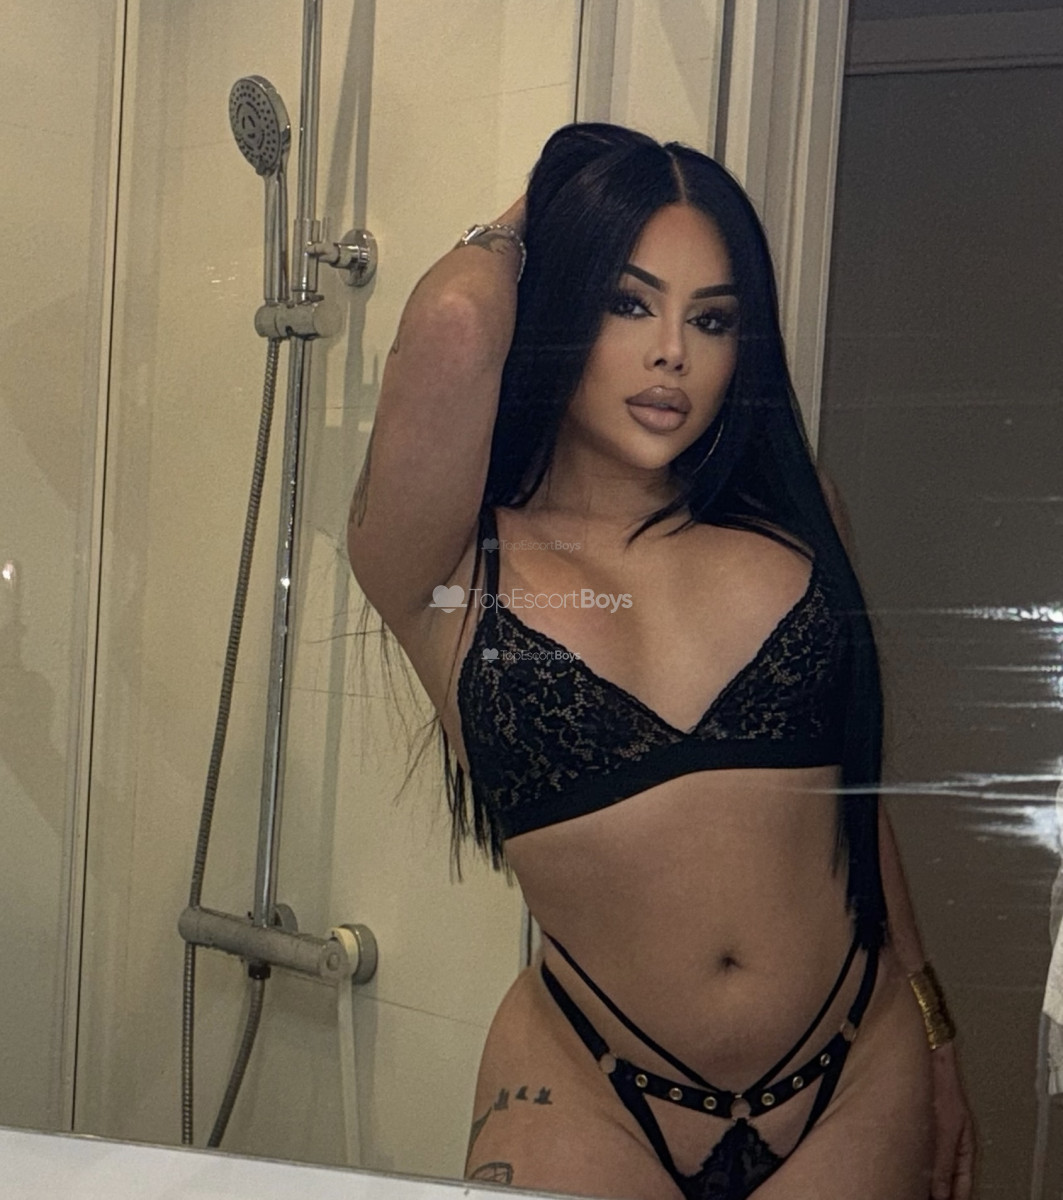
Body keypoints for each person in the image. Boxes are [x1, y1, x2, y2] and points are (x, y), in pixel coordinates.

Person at [346, 123, 975, 1200]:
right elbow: (454, 321)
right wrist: (545, 204)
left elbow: (853, 812)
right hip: (585, 1085)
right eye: (627, 303)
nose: (672, 352)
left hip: (855, 1071)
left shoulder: (797, 524)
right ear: (561, 307)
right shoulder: (448, 568)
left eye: (711, 318)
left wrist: (934, 1029)